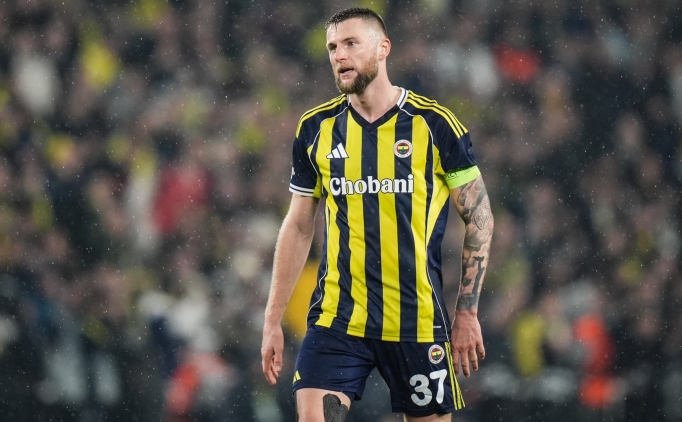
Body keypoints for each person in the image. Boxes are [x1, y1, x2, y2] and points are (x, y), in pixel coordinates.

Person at [261, 7, 494, 422]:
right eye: (333, 47)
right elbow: (298, 225)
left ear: (383, 48)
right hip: (338, 320)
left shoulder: (434, 124)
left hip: (416, 321)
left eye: (351, 43)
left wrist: (467, 312)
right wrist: (272, 319)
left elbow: (480, 218)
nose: (339, 54)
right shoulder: (316, 128)